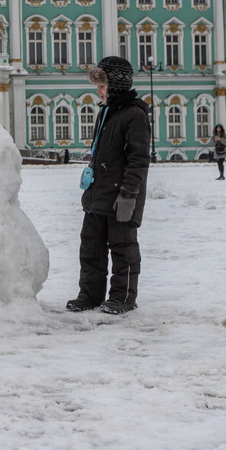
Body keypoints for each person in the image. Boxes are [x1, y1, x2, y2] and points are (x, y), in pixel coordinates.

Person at [67, 56, 150, 315]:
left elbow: (138, 160)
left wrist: (128, 194)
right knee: (90, 247)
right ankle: (90, 295)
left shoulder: (134, 115)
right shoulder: (106, 113)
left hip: (121, 196)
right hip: (98, 193)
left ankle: (122, 297)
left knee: (123, 249)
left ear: (115, 84)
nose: (98, 91)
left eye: (101, 85)